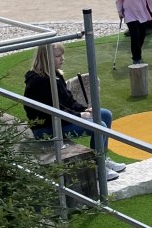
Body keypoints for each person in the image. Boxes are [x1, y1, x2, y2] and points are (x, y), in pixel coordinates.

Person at [23, 43, 128, 181]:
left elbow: (69, 101)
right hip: (45, 128)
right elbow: (52, 112)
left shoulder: (55, 75)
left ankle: (102, 158)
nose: (63, 59)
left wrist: (84, 110)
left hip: (60, 120)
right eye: (58, 56)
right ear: (46, 57)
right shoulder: (38, 81)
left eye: (62, 55)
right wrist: (78, 116)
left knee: (104, 114)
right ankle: (96, 166)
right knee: (99, 126)